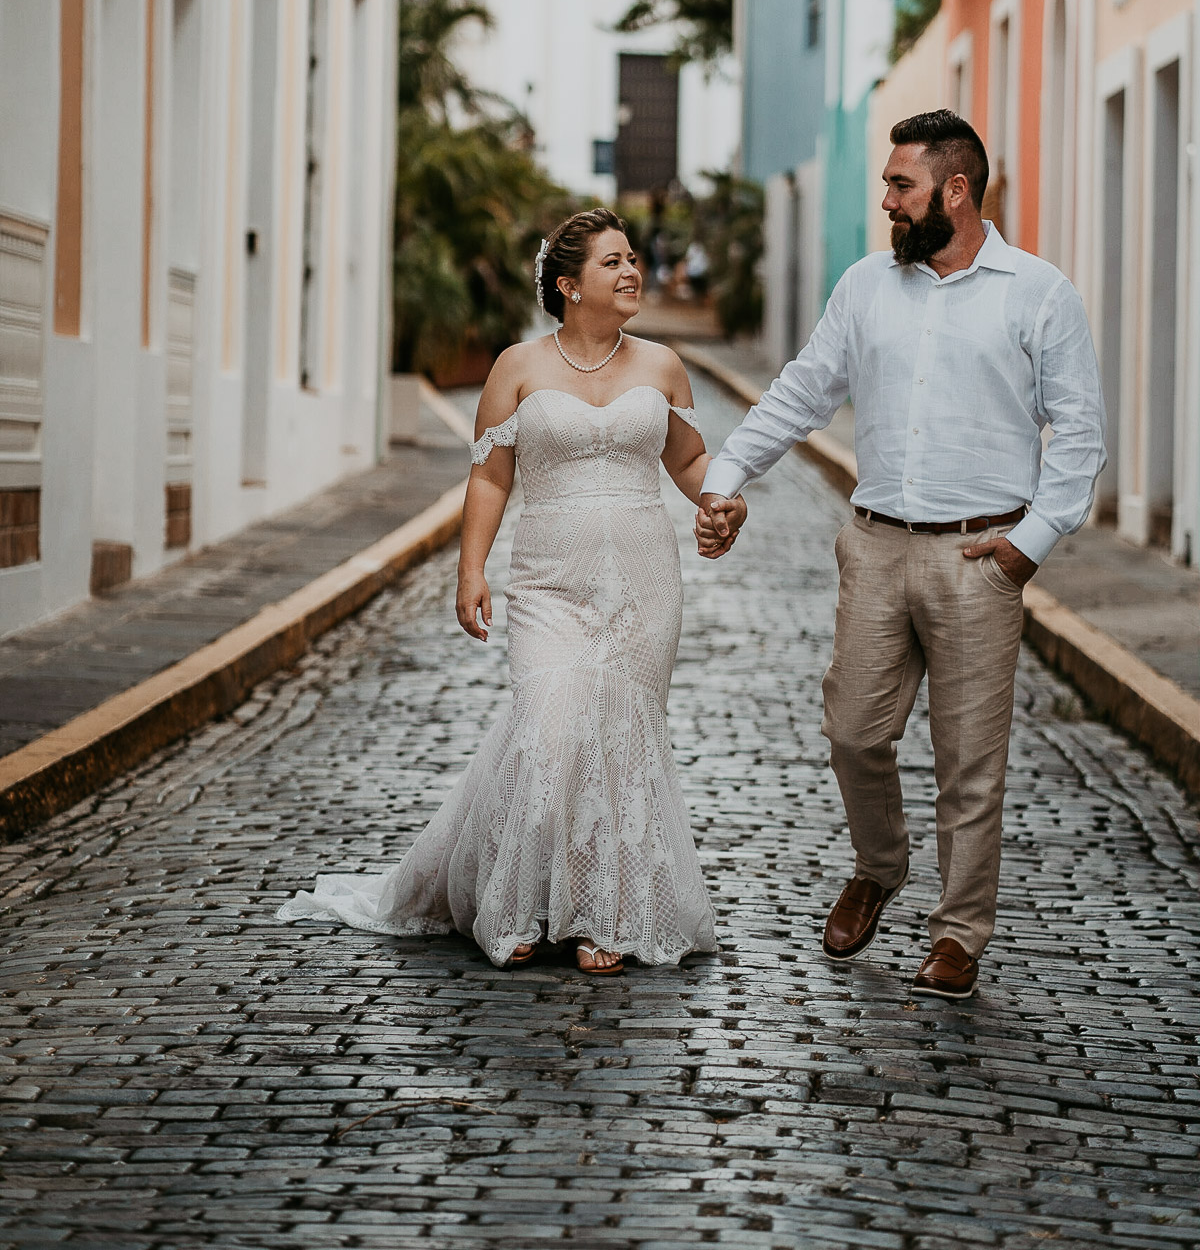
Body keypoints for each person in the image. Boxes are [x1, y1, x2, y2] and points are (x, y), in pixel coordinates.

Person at [696, 111, 1106, 999]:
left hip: (980, 558)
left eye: (900, 185)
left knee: (969, 763)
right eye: (887, 184)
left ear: (955, 191)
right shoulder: (866, 287)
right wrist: (727, 475)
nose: (885, 200)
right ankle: (880, 865)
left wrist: (1027, 548)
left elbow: (1078, 435)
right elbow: (803, 390)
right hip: (876, 546)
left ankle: (959, 935)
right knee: (853, 731)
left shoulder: (1039, 293)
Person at [279, 207, 719, 974]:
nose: (631, 272)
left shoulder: (662, 365)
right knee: (548, 729)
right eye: (612, 262)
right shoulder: (517, 366)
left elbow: (688, 462)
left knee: (618, 743)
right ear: (568, 285)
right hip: (548, 582)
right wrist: (470, 569)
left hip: (643, 585)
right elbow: (489, 476)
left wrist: (724, 501)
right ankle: (512, 902)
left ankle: (601, 918)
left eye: (631, 260)